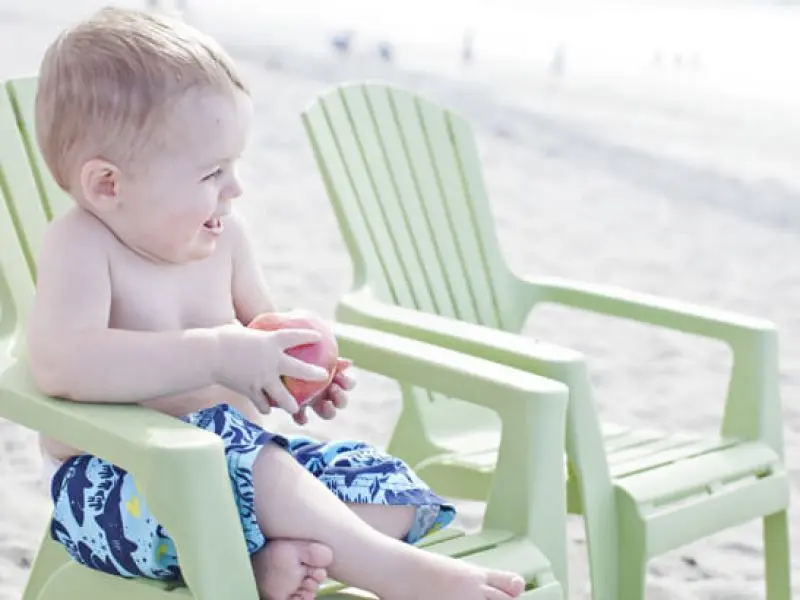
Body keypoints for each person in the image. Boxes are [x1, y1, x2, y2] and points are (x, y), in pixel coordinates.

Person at [26, 7, 527, 600]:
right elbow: (63, 364)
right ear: (108, 185)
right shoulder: (81, 245)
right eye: (212, 173)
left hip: (242, 475)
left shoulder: (225, 241)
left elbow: (262, 337)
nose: (235, 188)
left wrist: (297, 373)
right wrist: (216, 354)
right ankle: (401, 576)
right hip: (119, 490)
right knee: (244, 458)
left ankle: (264, 562)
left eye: (234, 166)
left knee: (390, 487)